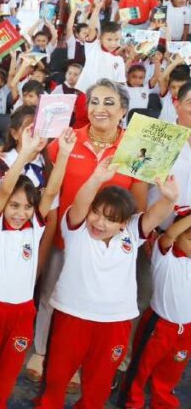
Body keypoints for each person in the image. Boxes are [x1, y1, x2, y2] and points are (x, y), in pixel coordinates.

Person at [26, 79, 148, 385]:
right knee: (50, 293)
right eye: (94, 101)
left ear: (123, 110)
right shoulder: (67, 139)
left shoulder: (137, 148)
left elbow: (140, 203)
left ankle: (80, 363)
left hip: (109, 244)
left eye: (109, 103)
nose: (100, 109)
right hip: (65, 235)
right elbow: (50, 186)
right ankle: (41, 350)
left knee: (92, 304)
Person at [36, 157, 178, 408]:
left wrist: (169, 198)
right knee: (55, 381)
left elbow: (155, 215)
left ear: (124, 222)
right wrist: (96, 179)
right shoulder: (77, 228)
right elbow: (80, 203)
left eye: (110, 219)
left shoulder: (132, 233)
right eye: (97, 213)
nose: (99, 223)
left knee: (98, 387)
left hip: (115, 323)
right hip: (72, 316)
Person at [0, 127, 72, 409]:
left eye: (27, 207)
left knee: (9, 372)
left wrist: (65, 154)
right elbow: (6, 188)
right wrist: (24, 153)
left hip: (22, 313)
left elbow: (52, 191)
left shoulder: (34, 227)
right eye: (14, 206)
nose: (21, 213)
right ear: (3, 205)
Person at [119, 212, 191, 409]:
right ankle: (132, 400)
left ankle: (163, 400)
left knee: (172, 369)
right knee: (142, 366)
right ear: (177, 238)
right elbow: (169, 234)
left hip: (185, 331)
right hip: (159, 325)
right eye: (190, 238)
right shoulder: (165, 254)